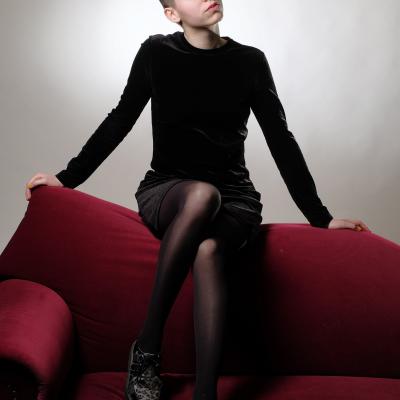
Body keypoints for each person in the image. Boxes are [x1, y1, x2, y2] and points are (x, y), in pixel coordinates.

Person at [24, 0, 371, 399]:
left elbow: (281, 140)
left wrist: (320, 216)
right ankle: (148, 345)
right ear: (172, 14)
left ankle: (205, 394)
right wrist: (67, 178)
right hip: (168, 190)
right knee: (203, 195)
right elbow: (120, 119)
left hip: (236, 199)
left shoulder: (250, 61)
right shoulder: (156, 52)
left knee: (208, 250)